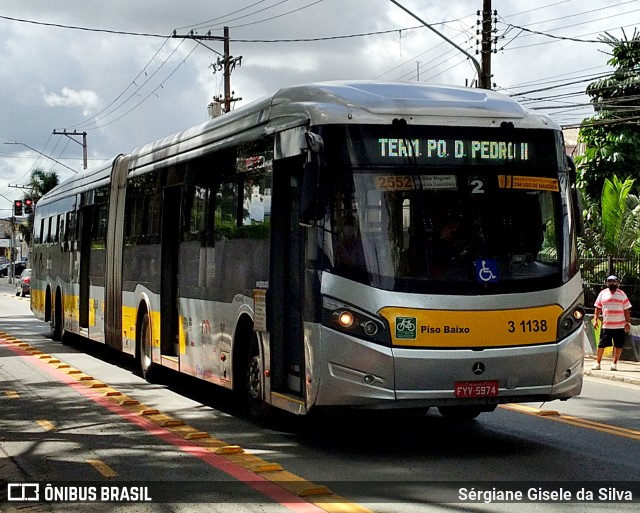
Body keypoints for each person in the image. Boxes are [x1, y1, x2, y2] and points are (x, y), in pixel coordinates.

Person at [592, 275, 632, 371]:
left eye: (613, 282)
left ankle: (614, 363)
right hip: (606, 325)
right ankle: (597, 363)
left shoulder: (622, 294)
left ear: (617, 283)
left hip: (619, 325)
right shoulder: (602, 294)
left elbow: (626, 310)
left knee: (618, 345)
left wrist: (628, 323)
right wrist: (595, 319)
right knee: (601, 345)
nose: (612, 283)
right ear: (607, 283)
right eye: (609, 282)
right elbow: (598, 307)